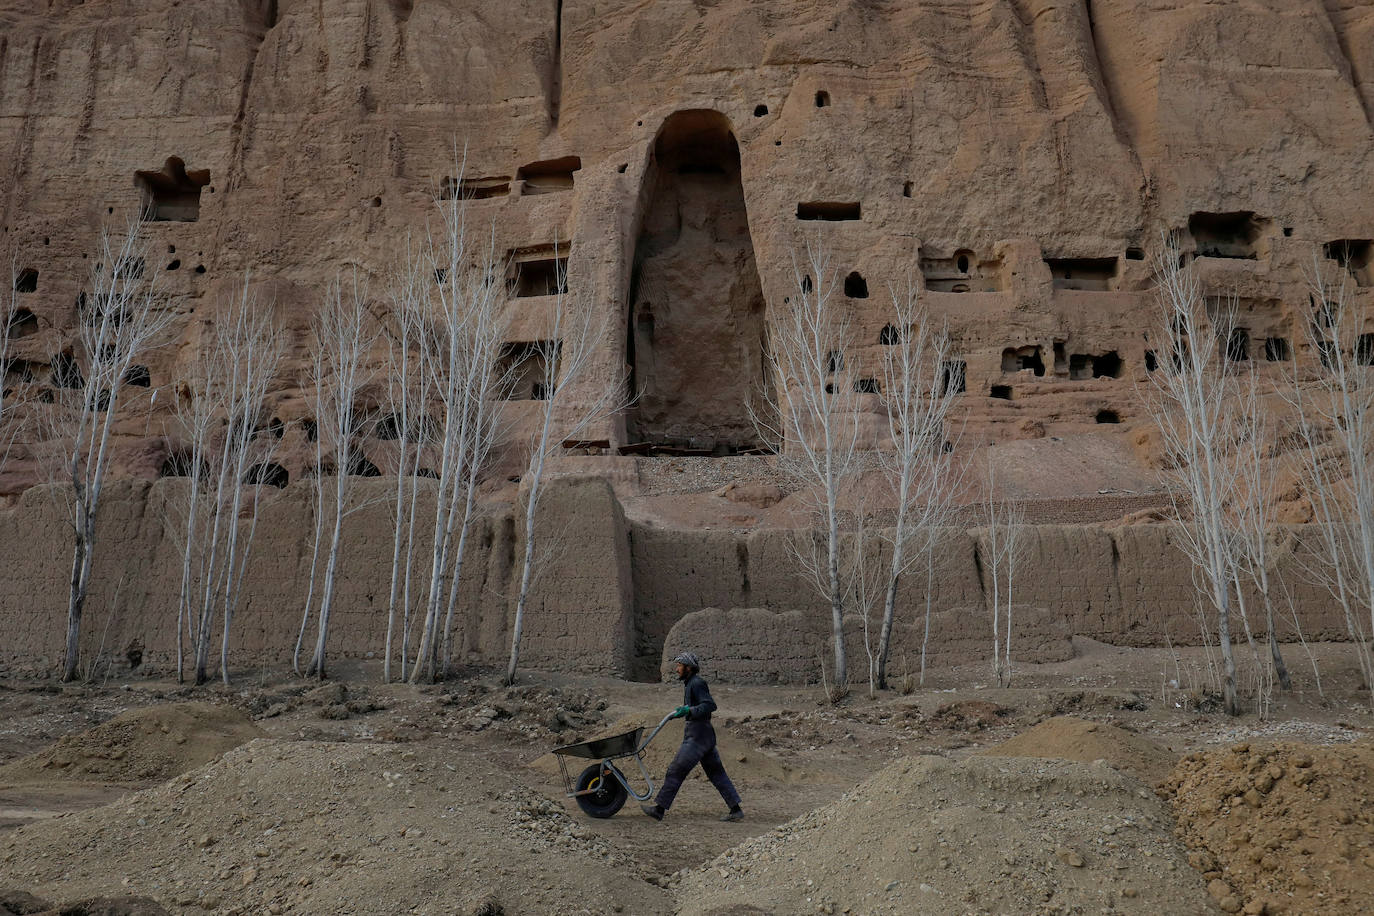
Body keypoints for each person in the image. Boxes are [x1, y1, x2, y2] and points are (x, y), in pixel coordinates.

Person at [641, 652, 743, 822]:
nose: (677, 669)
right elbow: (697, 707)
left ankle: (659, 809)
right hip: (703, 735)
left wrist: (689, 711)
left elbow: (710, 705)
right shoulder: (690, 684)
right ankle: (736, 809)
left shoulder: (697, 683)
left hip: (697, 737)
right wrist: (684, 711)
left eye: (680, 666)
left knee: (676, 770)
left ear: (689, 668)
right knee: (716, 773)